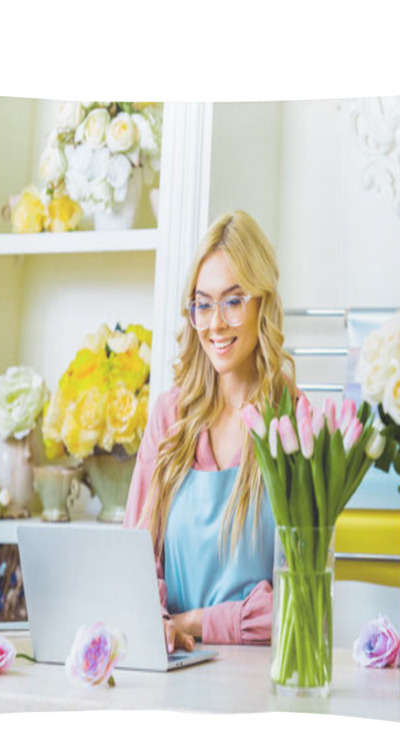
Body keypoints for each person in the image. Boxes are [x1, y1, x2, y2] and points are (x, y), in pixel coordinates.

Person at [123, 210, 296, 653]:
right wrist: (162, 623)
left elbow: (300, 600)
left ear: (263, 303)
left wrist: (195, 621)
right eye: (203, 303)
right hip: (172, 663)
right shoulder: (170, 418)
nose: (215, 323)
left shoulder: (292, 422)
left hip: (260, 678)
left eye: (233, 301)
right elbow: (132, 561)